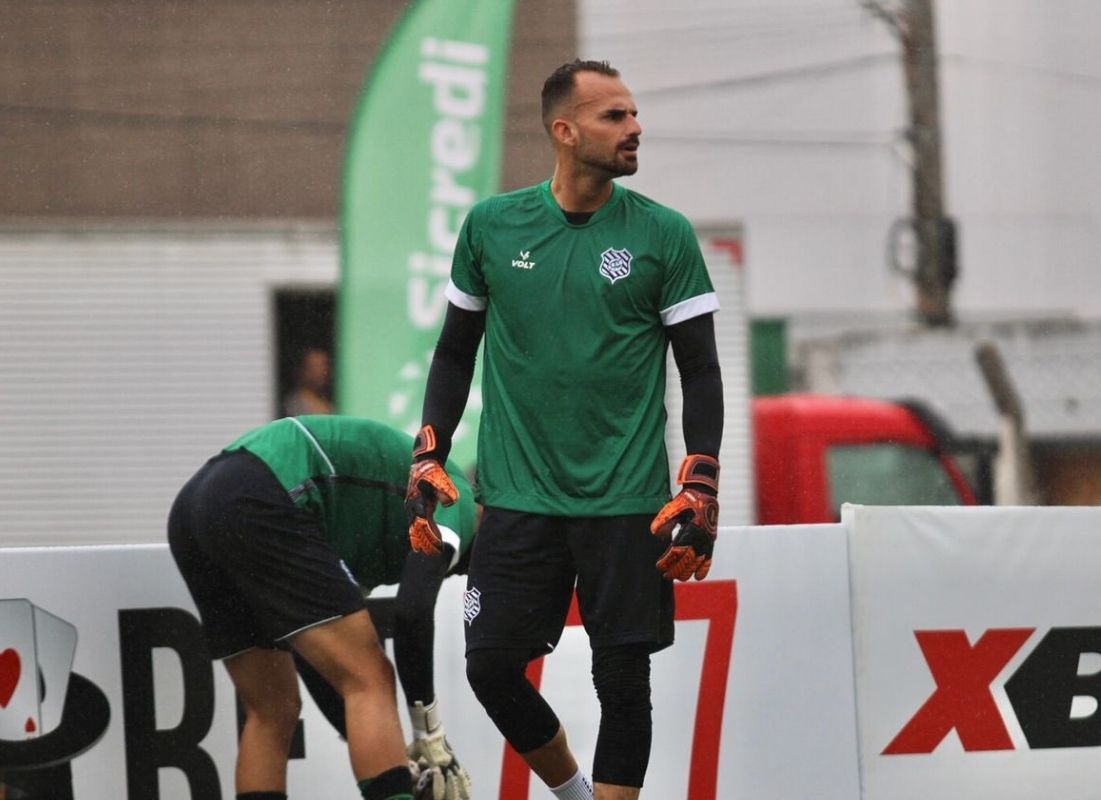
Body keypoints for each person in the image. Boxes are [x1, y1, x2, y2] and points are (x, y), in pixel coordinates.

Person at [403, 59, 724, 800]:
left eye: (635, 114)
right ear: (564, 129)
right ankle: (574, 792)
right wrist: (429, 452)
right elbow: (454, 354)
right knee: (488, 665)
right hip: (517, 499)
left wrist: (701, 477)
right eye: (615, 116)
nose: (635, 128)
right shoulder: (490, 226)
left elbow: (701, 372)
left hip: (627, 500)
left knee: (623, 679)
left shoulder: (664, 235)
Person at [168, 415, 475, 800]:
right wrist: (428, 732)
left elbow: (317, 659)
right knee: (371, 677)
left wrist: (397, 761)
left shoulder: (372, 528)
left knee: (272, 710)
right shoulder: (458, 500)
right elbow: (411, 614)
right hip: (260, 489)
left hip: (198, 508)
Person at [282, 347, 335, 416]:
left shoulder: (331, 402)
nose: (322, 372)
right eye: (315, 367)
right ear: (301, 370)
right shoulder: (292, 405)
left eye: (324, 367)